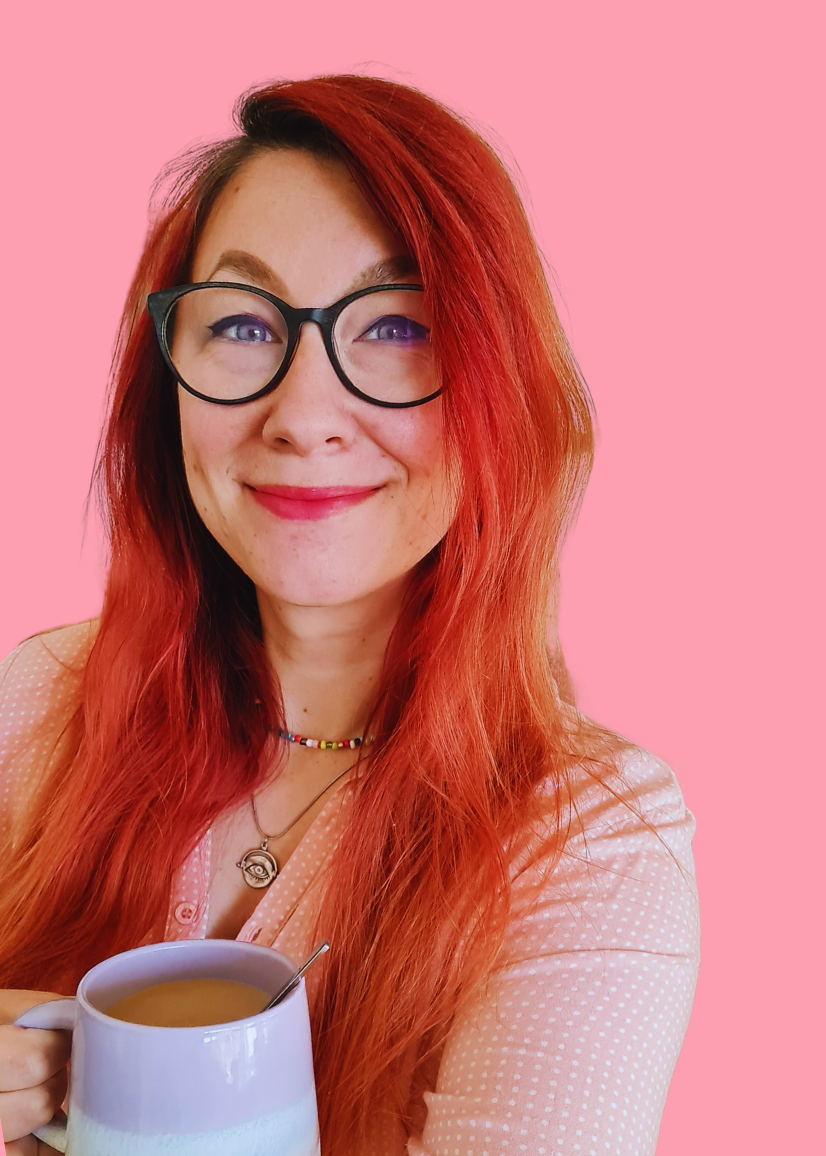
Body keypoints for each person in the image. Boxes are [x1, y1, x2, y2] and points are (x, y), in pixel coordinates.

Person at [0, 75, 700, 1155]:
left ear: (494, 386)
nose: (305, 414)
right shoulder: (37, 702)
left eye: (395, 327)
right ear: (166, 381)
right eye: (240, 322)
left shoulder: (588, 843)